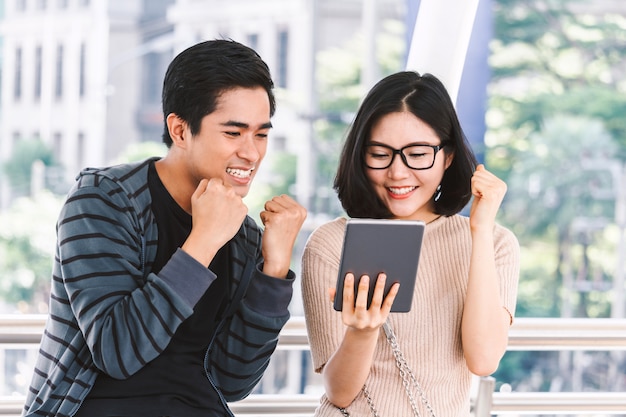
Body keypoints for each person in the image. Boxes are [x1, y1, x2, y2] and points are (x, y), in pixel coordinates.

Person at [22, 39, 307, 417]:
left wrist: (273, 271)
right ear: (180, 130)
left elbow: (233, 381)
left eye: (261, 134)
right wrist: (202, 241)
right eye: (233, 133)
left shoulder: (242, 236)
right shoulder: (104, 200)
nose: (252, 153)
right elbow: (117, 352)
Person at [301, 71, 519, 417]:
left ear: (447, 156)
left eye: (417, 154)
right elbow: (340, 393)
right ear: (361, 156)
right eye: (380, 154)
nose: (398, 173)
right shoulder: (331, 244)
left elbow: (483, 359)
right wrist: (363, 331)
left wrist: (479, 229)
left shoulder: (495, 243)